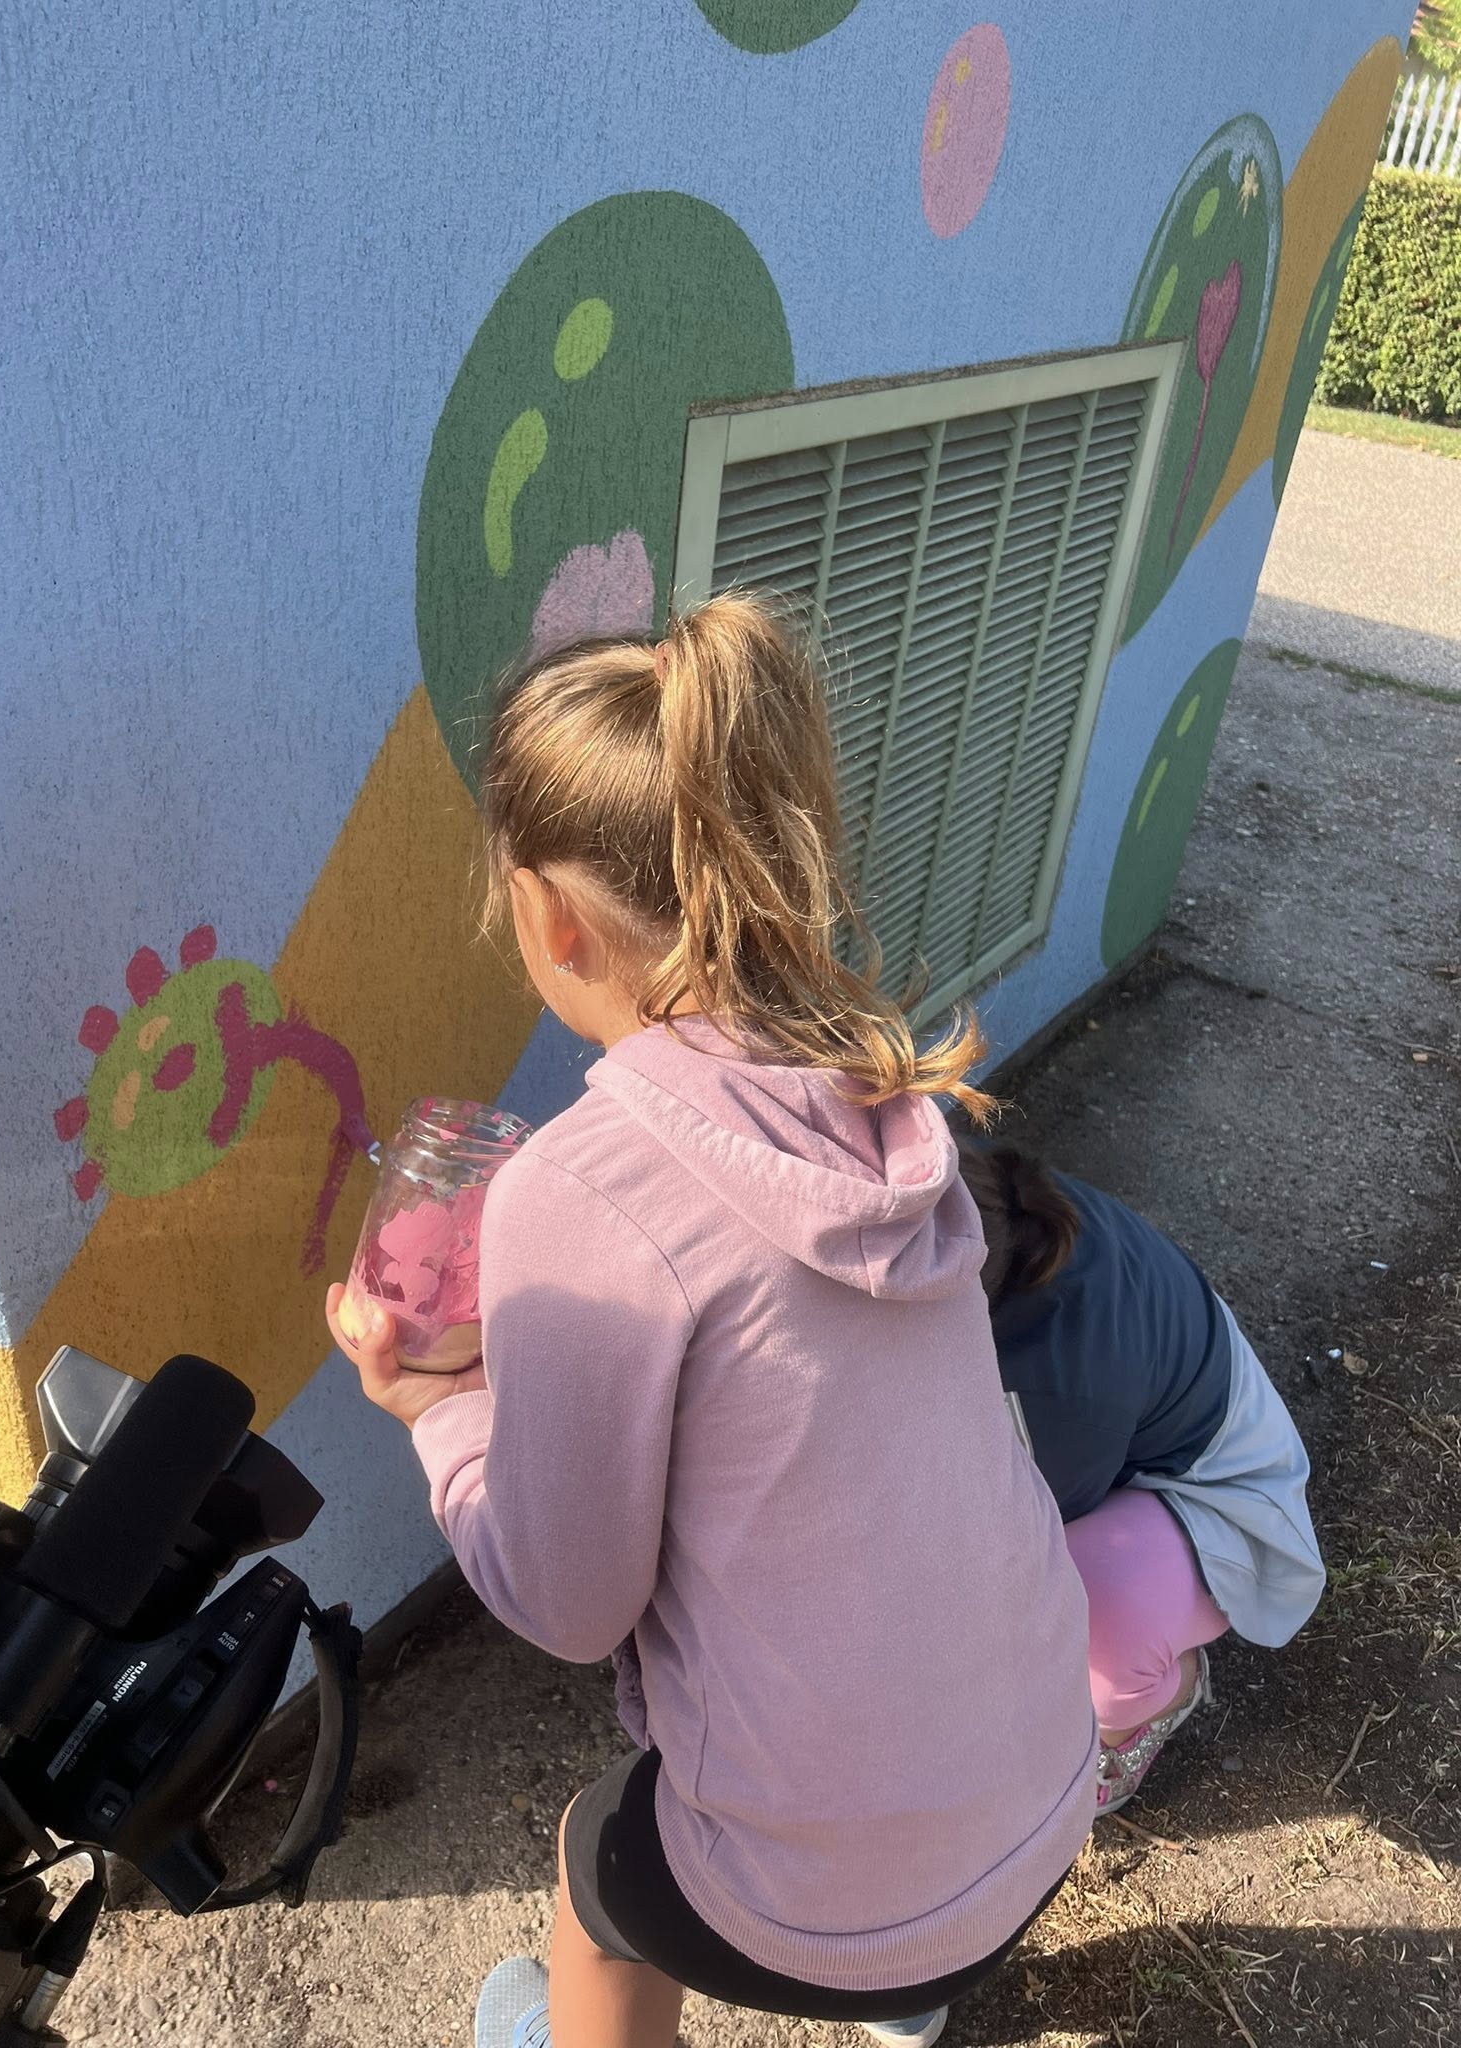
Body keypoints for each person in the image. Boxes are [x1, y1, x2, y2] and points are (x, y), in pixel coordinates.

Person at [327, 596, 1097, 2048]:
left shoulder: (579, 1190)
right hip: (1051, 1776)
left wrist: (437, 1408)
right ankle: (912, 1981)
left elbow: (568, 1604)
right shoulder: (882, 1102)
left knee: (595, 1868)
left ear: (546, 914)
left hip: (845, 1892)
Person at [957, 1144, 1326, 1814]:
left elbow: (1023, 1556)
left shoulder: (1060, 1388)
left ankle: (1159, 1696)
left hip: (1220, 1500)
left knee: (1080, 1628)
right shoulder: (979, 1203)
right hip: (1146, 1426)